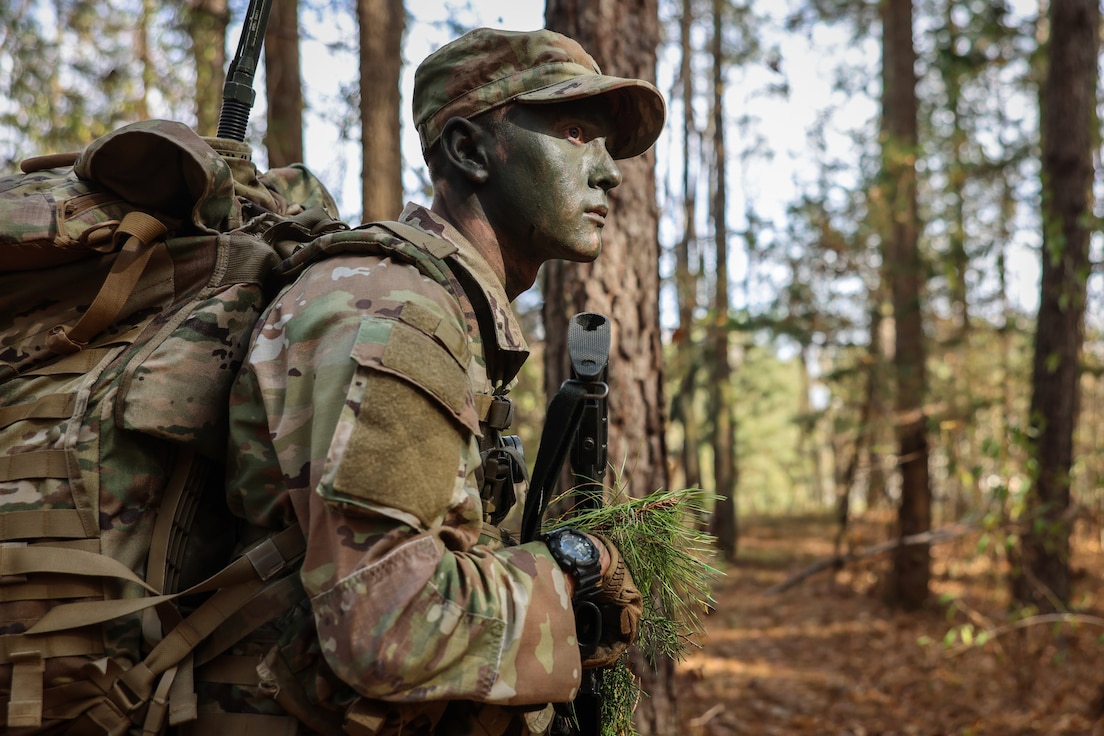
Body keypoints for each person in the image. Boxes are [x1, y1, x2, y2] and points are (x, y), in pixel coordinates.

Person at [224, 26, 667, 736]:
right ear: (468, 150)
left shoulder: (444, 310)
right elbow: (385, 617)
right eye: (577, 132)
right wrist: (571, 581)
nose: (609, 172)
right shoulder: (400, 311)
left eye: (608, 146)